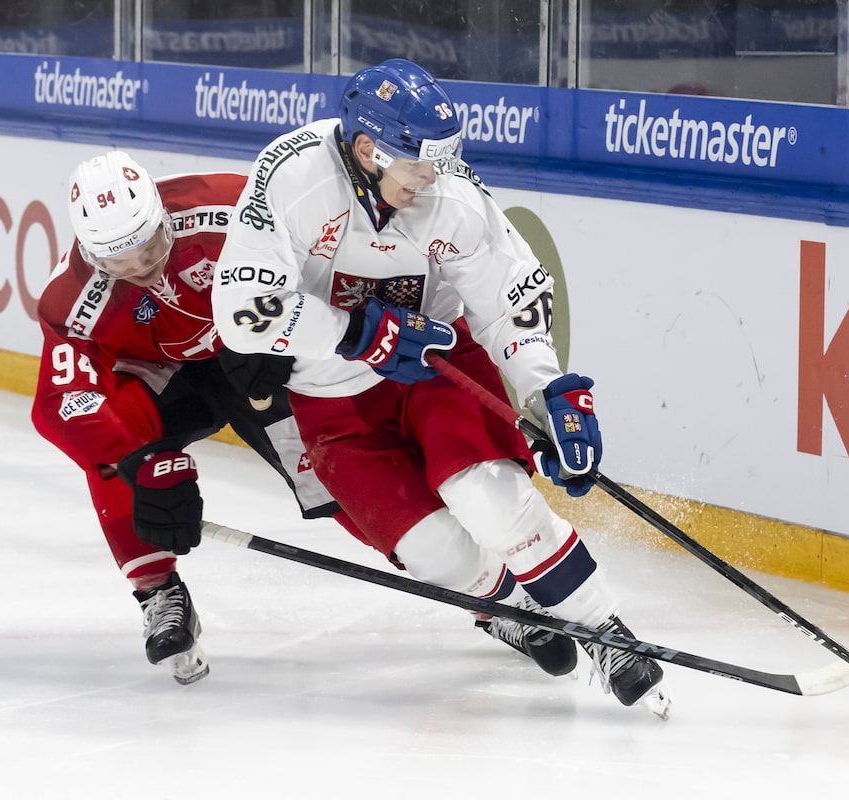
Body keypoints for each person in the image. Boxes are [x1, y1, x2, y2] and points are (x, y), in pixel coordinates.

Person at [207, 58, 670, 716]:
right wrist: (357, 334)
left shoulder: (448, 195)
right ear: (367, 149)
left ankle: (607, 633)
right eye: (418, 162)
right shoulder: (291, 176)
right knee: (433, 550)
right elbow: (243, 311)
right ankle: (510, 608)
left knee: (484, 496)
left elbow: (507, 299)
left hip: (437, 364)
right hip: (331, 392)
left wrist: (549, 391)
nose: (433, 176)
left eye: (439, 160)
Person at [31, 151, 352, 685]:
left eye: (149, 246)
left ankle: (471, 581)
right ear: (90, 252)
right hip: (163, 380)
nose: (139, 267)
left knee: (339, 477)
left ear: (162, 216)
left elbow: (329, 264)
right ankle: (158, 592)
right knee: (111, 456)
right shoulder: (71, 299)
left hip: (252, 361)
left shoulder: (232, 204)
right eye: (117, 262)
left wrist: (289, 335)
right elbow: (65, 401)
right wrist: (140, 461)